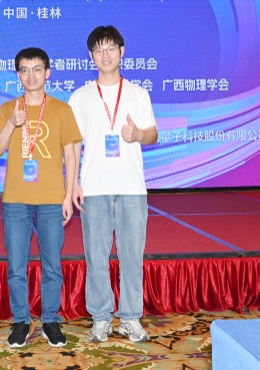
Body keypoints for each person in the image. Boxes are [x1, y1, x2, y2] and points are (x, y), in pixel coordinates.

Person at [68, 25, 158, 343]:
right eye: (98, 49)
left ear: (122, 51)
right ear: (91, 55)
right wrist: (73, 184)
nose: (105, 55)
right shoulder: (80, 97)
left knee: (132, 256)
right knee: (96, 257)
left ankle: (130, 317)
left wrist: (138, 134)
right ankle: (101, 318)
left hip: (132, 187)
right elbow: (73, 144)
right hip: (94, 188)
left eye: (110, 48)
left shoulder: (138, 93)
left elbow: (153, 134)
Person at [0, 47, 82, 348]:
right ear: (18, 75)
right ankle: (20, 320)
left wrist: (68, 195)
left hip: (52, 198)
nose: (31, 75)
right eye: (25, 70)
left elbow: (71, 153)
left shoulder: (61, 109)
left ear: (47, 73)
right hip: (16, 198)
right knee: (16, 265)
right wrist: (11, 123)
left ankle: (51, 320)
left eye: (37, 69)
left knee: (52, 264)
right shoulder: (8, 108)